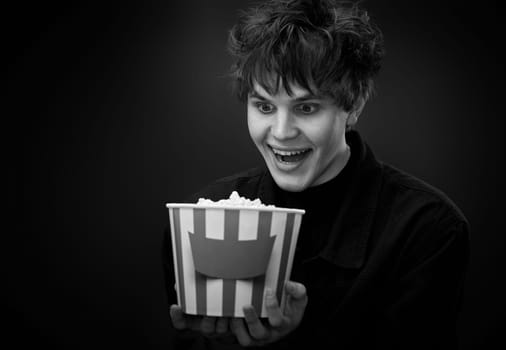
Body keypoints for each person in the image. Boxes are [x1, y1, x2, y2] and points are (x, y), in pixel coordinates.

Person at [162, 0, 470, 348]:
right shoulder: (202, 219)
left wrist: (296, 339)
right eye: (264, 106)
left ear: (353, 105)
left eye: (306, 108)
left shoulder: (426, 228)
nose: (280, 132)